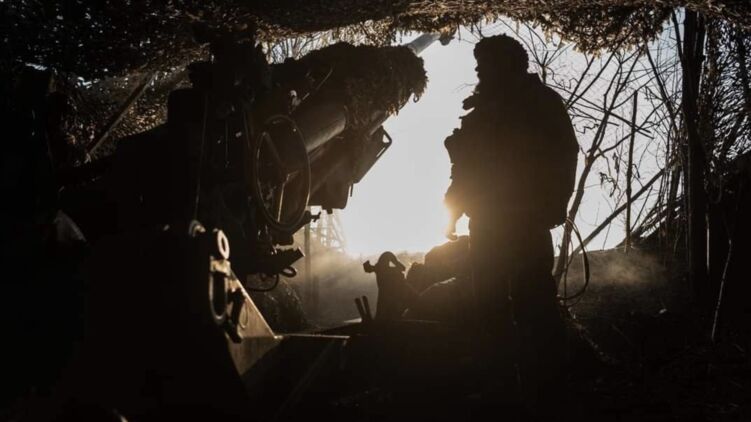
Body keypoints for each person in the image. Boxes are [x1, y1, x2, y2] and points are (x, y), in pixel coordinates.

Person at [443, 34, 578, 406]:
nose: (478, 72)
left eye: (484, 64)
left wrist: (551, 206)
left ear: (506, 65)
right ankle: (502, 392)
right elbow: (467, 169)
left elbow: (564, 155)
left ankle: (548, 392)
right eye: (478, 65)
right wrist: (453, 208)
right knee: (490, 307)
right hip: (489, 223)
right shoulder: (486, 111)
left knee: (533, 303)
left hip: (523, 223)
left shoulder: (538, 104)